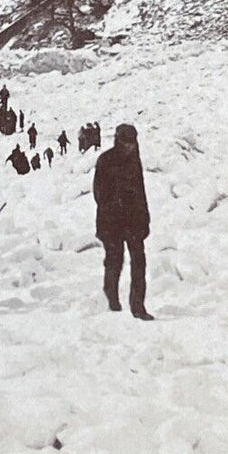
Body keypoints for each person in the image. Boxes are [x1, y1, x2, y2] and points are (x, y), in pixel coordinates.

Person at [93, 123, 153, 320]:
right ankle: (111, 294)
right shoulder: (106, 160)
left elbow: (140, 191)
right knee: (114, 260)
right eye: (126, 143)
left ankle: (138, 306)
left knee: (139, 262)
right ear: (118, 141)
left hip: (134, 221)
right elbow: (99, 194)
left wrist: (145, 219)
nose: (130, 147)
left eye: (132, 143)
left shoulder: (135, 161)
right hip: (112, 222)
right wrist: (115, 208)